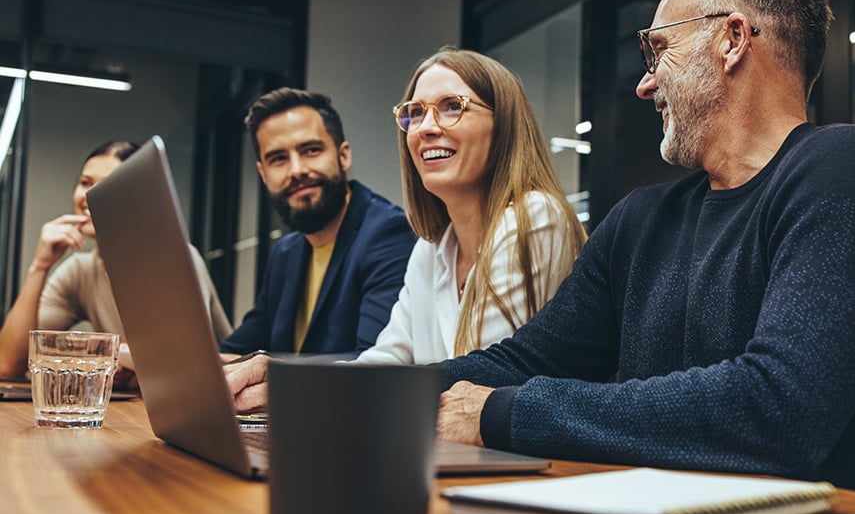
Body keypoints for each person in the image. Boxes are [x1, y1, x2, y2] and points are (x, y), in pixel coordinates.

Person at [435, 0, 855, 505]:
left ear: (732, 40)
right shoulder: (640, 222)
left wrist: (505, 411)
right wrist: (378, 392)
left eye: (658, 51)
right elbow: (522, 361)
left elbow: (779, 410)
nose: (645, 83)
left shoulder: (844, 168)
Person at [225, 49, 586, 411]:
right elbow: (386, 358)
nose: (426, 127)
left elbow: (478, 382)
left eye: (452, 106)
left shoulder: (536, 217)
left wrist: (301, 389)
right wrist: (289, 379)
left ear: (504, 124)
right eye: (415, 112)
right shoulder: (432, 248)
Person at [0, 140, 232, 380]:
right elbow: (7, 364)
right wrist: (39, 267)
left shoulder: (175, 259)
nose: (89, 195)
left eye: (106, 185)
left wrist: (98, 353)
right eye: (85, 183)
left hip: (217, 403)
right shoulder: (80, 270)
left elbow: (180, 362)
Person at [219, 88, 415, 358]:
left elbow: (373, 363)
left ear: (343, 155)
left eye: (311, 150)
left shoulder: (389, 234)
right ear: (263, 174)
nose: (296, 170)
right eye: (278, 159)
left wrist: (265, 373)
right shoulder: (285, 253)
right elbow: (238, 349)